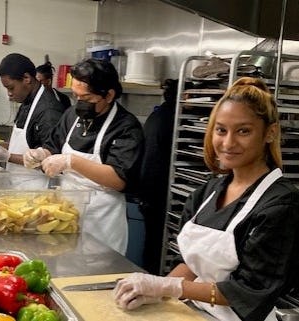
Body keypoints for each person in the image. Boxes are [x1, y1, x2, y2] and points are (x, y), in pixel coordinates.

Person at [113, 77, 299, 321]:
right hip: (196, 312)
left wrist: (171, 288)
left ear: (269, 133)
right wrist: (158, 289)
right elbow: (190, 263)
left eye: (243, 131)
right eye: (221, 130)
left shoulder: (281, 203)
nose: (228, 143)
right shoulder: (207, 192)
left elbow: (249, 291)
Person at [23, 58, 145, 255]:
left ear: (109, 95)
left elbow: (118, 180)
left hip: (102, 222)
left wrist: (71, 161)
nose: (80, 103)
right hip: (66, 215)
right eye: (76, 96)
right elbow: (53, 146)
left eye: (87, 99)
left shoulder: (125, 127)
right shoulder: (72, 115)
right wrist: (39, 153)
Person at [139, 79, 192, 274]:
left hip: (150, 194)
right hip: (162, 196)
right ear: (185, 96)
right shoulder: (175, 120)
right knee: (156, 249)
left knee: (152, 247)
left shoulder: (158, 114)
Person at [0, 53, 65, 171]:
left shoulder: (49, 111)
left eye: (11, 88)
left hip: (38, 186)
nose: (9, 93)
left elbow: (51, 161)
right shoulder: (27, 102)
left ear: (26, 78)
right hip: (19, 183)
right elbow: (26, 146)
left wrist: (8, 156)